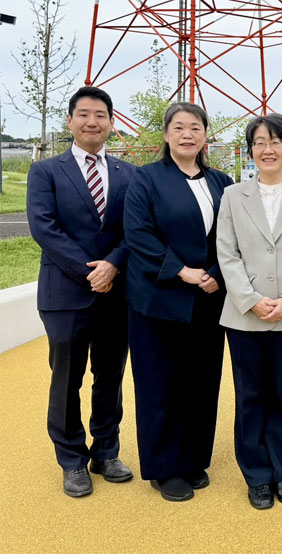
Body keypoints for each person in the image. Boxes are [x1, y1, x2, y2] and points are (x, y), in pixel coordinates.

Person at [27, 86, 135, 497]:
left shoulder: (130, 174)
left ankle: (106, 451)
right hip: (65, 295)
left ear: (111, 122)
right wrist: (91, 272)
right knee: (67, 378)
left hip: (116, 293)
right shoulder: (46, 172)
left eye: (101, 115)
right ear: (70, 121)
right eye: (84, 114)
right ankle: (72, 459)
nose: (93, 122)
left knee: (109, 377)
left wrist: (113, 265)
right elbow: (44, 228)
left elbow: (134, 230)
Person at [124, 102, 233, 502]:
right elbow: (138, 234)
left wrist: (217, 274)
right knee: (160, 383)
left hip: (209, 298)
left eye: (196, 127)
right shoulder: (146, 179)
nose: (188, 134)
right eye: (179, 127)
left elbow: (235, 236)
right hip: (159, 300)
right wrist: (182, 271)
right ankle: (164, 467)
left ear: (206, 135)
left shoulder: (222, 181)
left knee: (202, 382)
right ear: (166, 134)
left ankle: (192, 460)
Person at [216, 113, 282, 510]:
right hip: (244, 314)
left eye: (276, 141)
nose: (268, 149)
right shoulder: (233, 196)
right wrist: (251, 299)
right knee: (249, 395)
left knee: (280, 394)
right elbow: (226, 254)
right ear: (250, 151)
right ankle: (257, 476)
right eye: (259, 142)